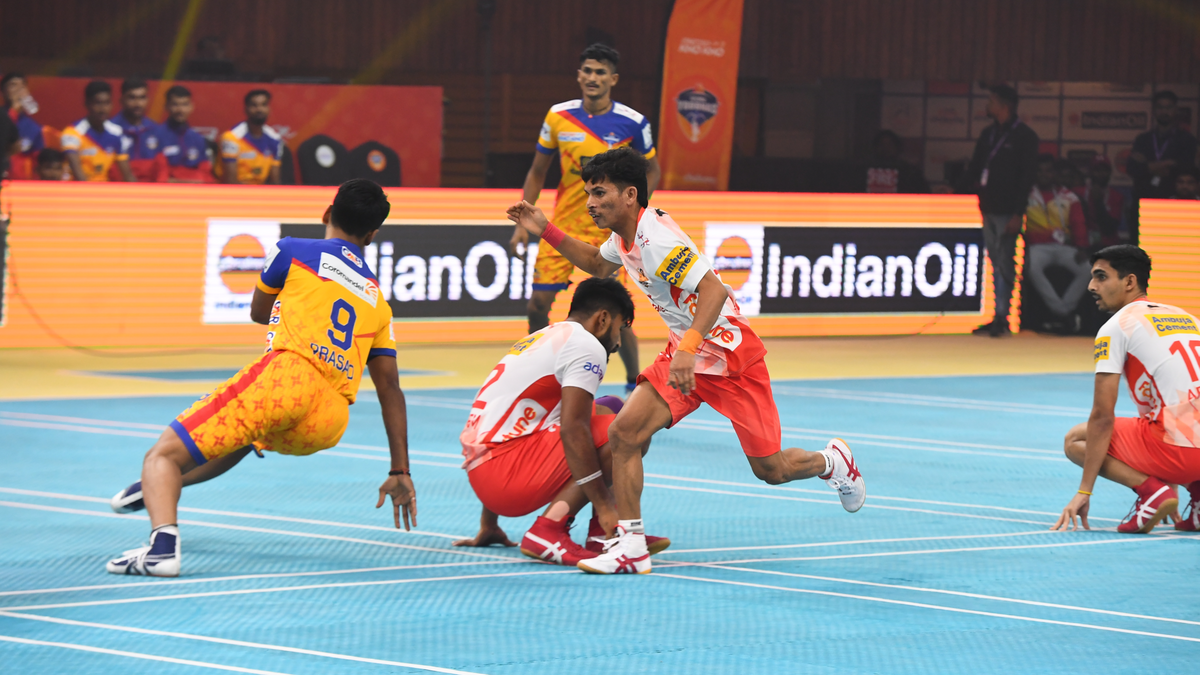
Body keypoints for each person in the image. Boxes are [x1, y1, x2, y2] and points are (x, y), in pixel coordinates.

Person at [507, 147, 865, 575]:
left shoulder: (657, 240)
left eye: (599, 193)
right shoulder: (623, 238)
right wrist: (545, 229)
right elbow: (596, 265)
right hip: (684, 351)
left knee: (771, 469)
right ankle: (631, 546)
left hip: (730, 357)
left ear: (630, 195)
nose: (590, 203)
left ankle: (832, 461)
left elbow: (714, 290)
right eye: (588, 194)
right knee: (624, 434)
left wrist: (689, 348)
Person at [106, 179, 416, 576]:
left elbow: (258, 312)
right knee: (244, 437)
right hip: (330, 420)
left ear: (327, 213)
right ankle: (159, 488)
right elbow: (390, 388)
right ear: (372, 236)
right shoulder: (378, 302)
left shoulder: (293, 250)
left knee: (162, 455)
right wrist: (400, 470)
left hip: (290, 379)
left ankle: (161, 550)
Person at [454, 277, 668, 566]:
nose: (618, 342)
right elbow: (573, 429)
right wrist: (605, 506)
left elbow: (501, 421)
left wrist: (489, 522)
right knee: (631, 429)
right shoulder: (586, 346)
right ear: (603, 319)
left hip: (487, 473)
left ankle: (603, 536)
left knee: (614, 407)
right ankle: (549, 529)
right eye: (619, 329)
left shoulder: (544, 337)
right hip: (505, 475)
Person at [509, 43, 660, 396]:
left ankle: (634, 382)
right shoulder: (557, 117)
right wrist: (521, 224)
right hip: (562, 226)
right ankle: (537, 372)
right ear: (579, 75)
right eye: (588, 71)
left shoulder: (634, 122)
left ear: (613, 79)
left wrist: (634, 212)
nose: (593, 77)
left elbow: (652, 170)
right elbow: (537, 171)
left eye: (601, 72)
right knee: (537, 305)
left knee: (617, 313)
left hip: (609, 231)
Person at [1053, 245, 1200, 534]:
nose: (1091, 286)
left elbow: (1102, 416)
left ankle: (1151, 493)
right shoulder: (1187, 318)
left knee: (1076, 439)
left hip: (1179, 450)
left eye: (1101, 277)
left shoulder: (1117, 327)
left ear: (1129, 281)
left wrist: (1085, 491)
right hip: (1188, 446)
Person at [959, 84, 1039, 337]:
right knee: (995, 262)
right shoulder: (988, 134)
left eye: (992, 101)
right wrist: (955, 189)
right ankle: (997, 315)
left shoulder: (1025, 136)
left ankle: (1003, 317)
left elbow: (1027, 178)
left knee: (1005, 262)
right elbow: (976, 167)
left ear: (1005, 105)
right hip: (988, 206)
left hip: (1008, 210)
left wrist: (1018, 213)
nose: (988, 105)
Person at [1023, 155, 1090, 333]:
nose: (1044, 175)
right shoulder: (1025, 194)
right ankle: (1062, 311)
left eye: (1048, 171)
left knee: (1089, 270)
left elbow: (1078, 223)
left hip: (1064, 247)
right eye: (1040, 171)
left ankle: (1063, 308)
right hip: (1037, 246)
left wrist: (1082, 247)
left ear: (1054, 173)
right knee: (1031, 267)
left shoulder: (1069, 196)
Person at [1127, 90, 1198, 243]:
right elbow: (1132, 168)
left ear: (1175, 110)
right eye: (1160, 107)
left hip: (1172, 204)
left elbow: (1185, 169)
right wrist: (1163, 164)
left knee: (1169, 249)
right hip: (1143, 201)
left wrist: (1146, 165)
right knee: (1139, 251)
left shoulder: (1187, 140)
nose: (1164, 111)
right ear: (1154, 111)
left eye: (1168, 107)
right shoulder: (1143, 139)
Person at [61, 80, 134, 182]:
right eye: (98, 103)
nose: (103, 109)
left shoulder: (117, 133)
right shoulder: (72, 133)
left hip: (103, 189)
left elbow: (128, 176)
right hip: (75, 188)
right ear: (87, 104)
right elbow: (79, 175)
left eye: (107, 103)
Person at [216, 89, 282, 185]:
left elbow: (275, 182)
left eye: (264, 105)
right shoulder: (232, 137)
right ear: (246, 109)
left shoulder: (275, 138)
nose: (259, 109)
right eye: (254, 105)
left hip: (261, 191)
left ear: (269, 109)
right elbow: (230, 181)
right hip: (233, 191)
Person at [111, 78, 167, 182]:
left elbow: (162, 170)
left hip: (151, 190)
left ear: (148, 100)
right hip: (120, 188)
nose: (138, 104)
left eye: (142, 98)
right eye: (132, 98)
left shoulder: (156, 130)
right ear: (122, 100)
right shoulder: (111, 130)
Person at [160, 85, 214, 183]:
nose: (180, 110)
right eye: (175, 105)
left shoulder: (198, 139)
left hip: (194, 191)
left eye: (185, 104)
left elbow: (206, 177)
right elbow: (158, 177)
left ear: (191, 107)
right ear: (166, 106)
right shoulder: (157, 135)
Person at [2, 72, 45, 180]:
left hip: (21, 183)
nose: (18, 90)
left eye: (22, 86)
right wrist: (13, 111)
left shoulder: (33, 127)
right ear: (3, 91)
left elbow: (38, 160)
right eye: (13, 85)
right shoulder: (2, 117)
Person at [865, 130, 930, 194]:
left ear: (897, 147)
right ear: (875, 148)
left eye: (889, 144)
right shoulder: (864, 171)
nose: (885, 148)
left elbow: (923, 194)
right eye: (882, 144)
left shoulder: (910, 172)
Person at [1082, 156, 1124, 249]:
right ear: (1090, 172)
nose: (1101, 174)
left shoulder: (1116, 196)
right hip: (1085, 244)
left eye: (1104, 170)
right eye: (1097, 170)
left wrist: (1098, 201)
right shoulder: (1080, 193)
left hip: (1108, 245)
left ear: (1110, 172)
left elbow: (1109, 229)